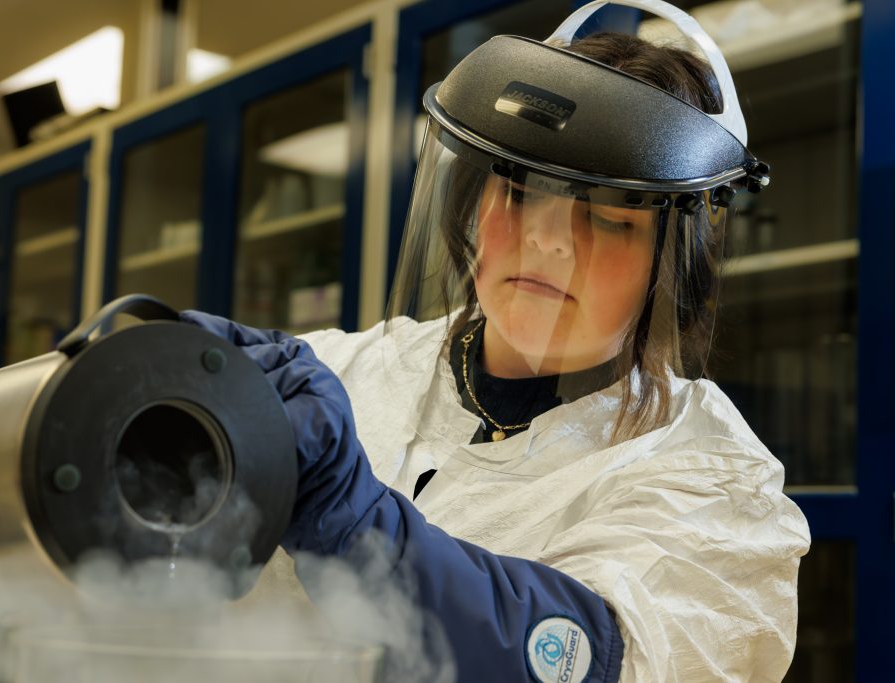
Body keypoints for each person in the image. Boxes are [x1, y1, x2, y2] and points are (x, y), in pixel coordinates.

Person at [181, 1, 809, 681]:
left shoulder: (713, 483)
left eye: (606, 218)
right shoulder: (341, 374)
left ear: (674, 268)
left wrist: (359, 531)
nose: (546, 238)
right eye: (518, 193)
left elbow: (599, 660)